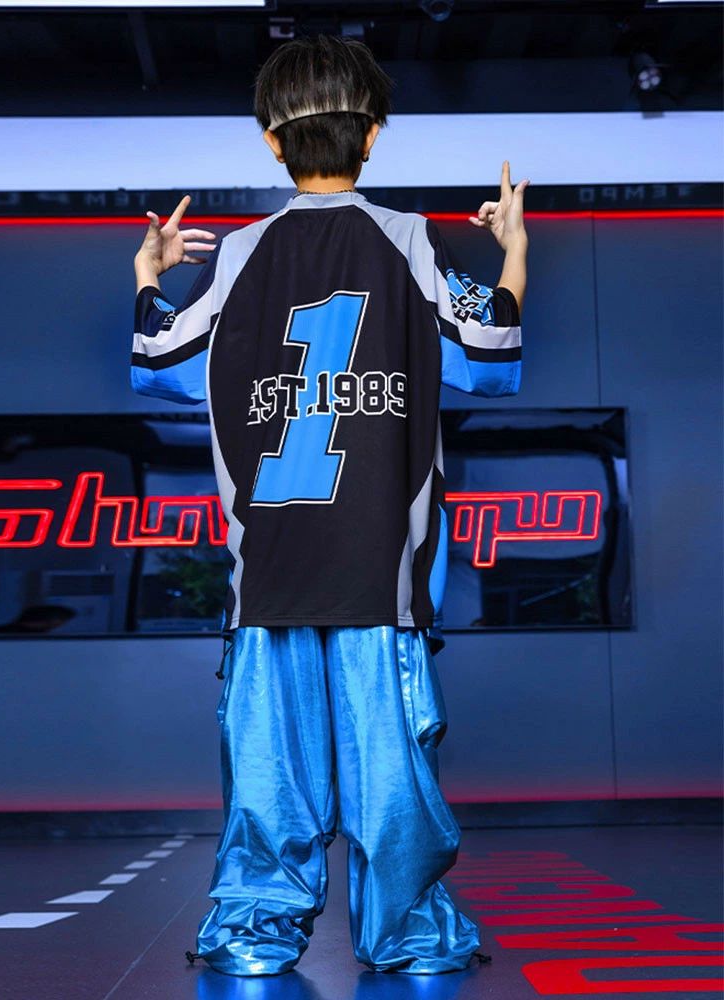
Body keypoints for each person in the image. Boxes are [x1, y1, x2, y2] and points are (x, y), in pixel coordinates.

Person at [131, 34, 528, 977]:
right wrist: (513, 251)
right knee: (393, 784)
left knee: (268, 782)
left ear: (271, 141)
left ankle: (250, 938)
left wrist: (150, 272)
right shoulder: (413, 242)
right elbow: (490, 353)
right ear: (374, 134)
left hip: (269, 575)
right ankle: (410, 935)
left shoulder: (237, 255)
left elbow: (159, 361)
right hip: (377, 575)